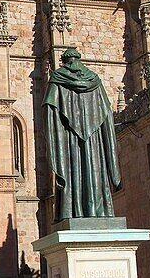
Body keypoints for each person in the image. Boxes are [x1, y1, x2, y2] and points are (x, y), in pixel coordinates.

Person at [44, 47, 122, 220]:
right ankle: (98, 210)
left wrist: (55, 140)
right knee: (95, 168)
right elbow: (106, 113)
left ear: (64, 61)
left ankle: (73, 211)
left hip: (70, 140)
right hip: (95, 141)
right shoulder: (95, 80)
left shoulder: (57, 79)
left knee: (74, 170)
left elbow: (51, 113)